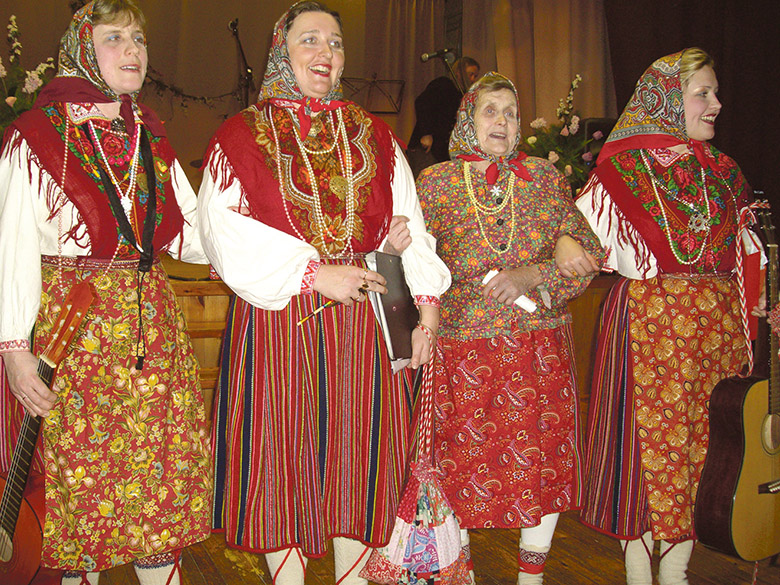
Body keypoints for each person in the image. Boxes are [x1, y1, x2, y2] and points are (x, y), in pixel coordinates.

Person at [196, 2, 450, 584]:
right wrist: (314, 274)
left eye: (335, 43)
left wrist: (428, 316)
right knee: (280, 463)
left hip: (365, 323)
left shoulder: (375, 136)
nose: (326, 52)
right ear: (281, 52)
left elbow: (411, 227)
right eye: (310, 39)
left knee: (357, 465)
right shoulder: (242, 135)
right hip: (280, 318)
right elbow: (221, 230)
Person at [0, 1, 212, 584]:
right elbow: (11, 247)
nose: (133, 50)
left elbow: (197, 235)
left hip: (153, 336)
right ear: (81, 49)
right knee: (82, 492)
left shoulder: (150, 135)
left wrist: (281, 236)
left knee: (160, 490)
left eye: (138, 38)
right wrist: (15, 351)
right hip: (75, 335)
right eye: (115, 37)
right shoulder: (38, 136)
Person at [575, 48, 763, 585]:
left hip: (716, 331)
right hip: (649, 328)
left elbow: (747, 252)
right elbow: (579, 241)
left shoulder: (725, 172)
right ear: (664, 101)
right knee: (644, 454)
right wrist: (561, 247)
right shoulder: (620, 173)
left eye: (714, 92)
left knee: (708, 448)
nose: (717, 104)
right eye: (702, 93)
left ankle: (676, 572)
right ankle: (640, 574)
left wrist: (762, 297)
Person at [416, 71, 603, 585]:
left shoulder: (545, 178)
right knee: (460, 468)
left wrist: (535, 271)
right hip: (462, 352)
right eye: (490, 110)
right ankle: (461, 573)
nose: (502, 121)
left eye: (512, 113)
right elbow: (415, 265)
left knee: (539, 467)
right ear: (468, 119)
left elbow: (590, 255)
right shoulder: (435, 184)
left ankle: (531, 578)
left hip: (537, 349)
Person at [407, 56, 480, 174]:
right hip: (427, 148)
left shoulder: (463, 95)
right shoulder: (443, 84)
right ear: (459, 72)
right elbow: (422, 103)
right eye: (471, 74)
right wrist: (426, 133)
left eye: (475, 76)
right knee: (425, 179)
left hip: (442, 151)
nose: (473, 79)